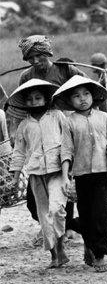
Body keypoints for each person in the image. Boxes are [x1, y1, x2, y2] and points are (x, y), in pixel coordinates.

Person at [5, 35, 84, 246]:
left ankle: (66, 229)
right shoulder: (26, 76)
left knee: (64, 184)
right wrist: (17, 133)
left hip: (62, 128)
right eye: (30, 58)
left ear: (48, 53)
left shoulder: (65, 70)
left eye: (39, 56)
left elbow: (85, 88)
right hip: (37, 135)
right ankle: (51, 225)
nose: (35, 62)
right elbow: (21, 106)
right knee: (35, 200)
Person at [55, 76, 107, 272]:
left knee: (102, 215)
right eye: (77, 96)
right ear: (70, 101)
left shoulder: (103, 117)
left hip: (103, 172)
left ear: (93, 96)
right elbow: (66, 150)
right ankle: (90, 245)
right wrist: (65, 176)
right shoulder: (69, 122)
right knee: (86, 216)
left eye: (86, 94)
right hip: (81, 175)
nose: (82, 99)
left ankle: (100, 254)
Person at [8, 79, 70, 268]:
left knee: (56, 209)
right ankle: (53, 255)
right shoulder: (24, 126)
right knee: (44, 216)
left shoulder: (57, 116)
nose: (34, 102)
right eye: (30, 99)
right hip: (36, 173)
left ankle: (60, 246)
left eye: (38, 98)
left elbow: (68, 141)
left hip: (58, 170)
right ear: (25, 103)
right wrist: (15, 177)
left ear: (46, 99)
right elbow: (19, 152)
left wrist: (69, 171)